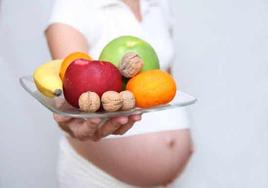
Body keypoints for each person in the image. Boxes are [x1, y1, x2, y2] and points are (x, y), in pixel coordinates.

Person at [45, 0, 193, 187]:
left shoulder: (160, 4)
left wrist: (180, 138)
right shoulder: (74, 5)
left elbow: (163, 81)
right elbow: (74, 93)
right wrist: (74, 125)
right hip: (99, 178)